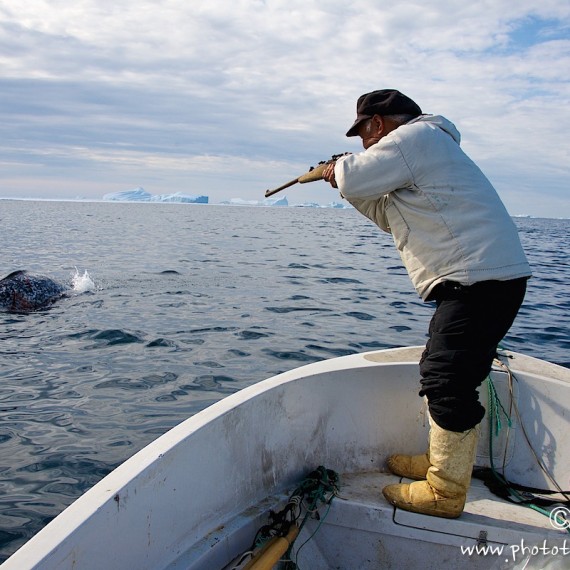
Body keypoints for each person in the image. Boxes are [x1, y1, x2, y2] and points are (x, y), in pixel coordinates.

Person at [322, 89, 531, 519]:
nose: (365, 143)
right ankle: (443, 464)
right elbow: (386, 215)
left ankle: (445, 492)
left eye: (363, 133)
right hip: (482, 281)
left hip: (479, 282)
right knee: (447, 371)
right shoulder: (423, 154)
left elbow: (357, 174)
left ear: (377, 124)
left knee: (445, 380)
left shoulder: (414, 139)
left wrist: (339, 168)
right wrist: (346, 186)